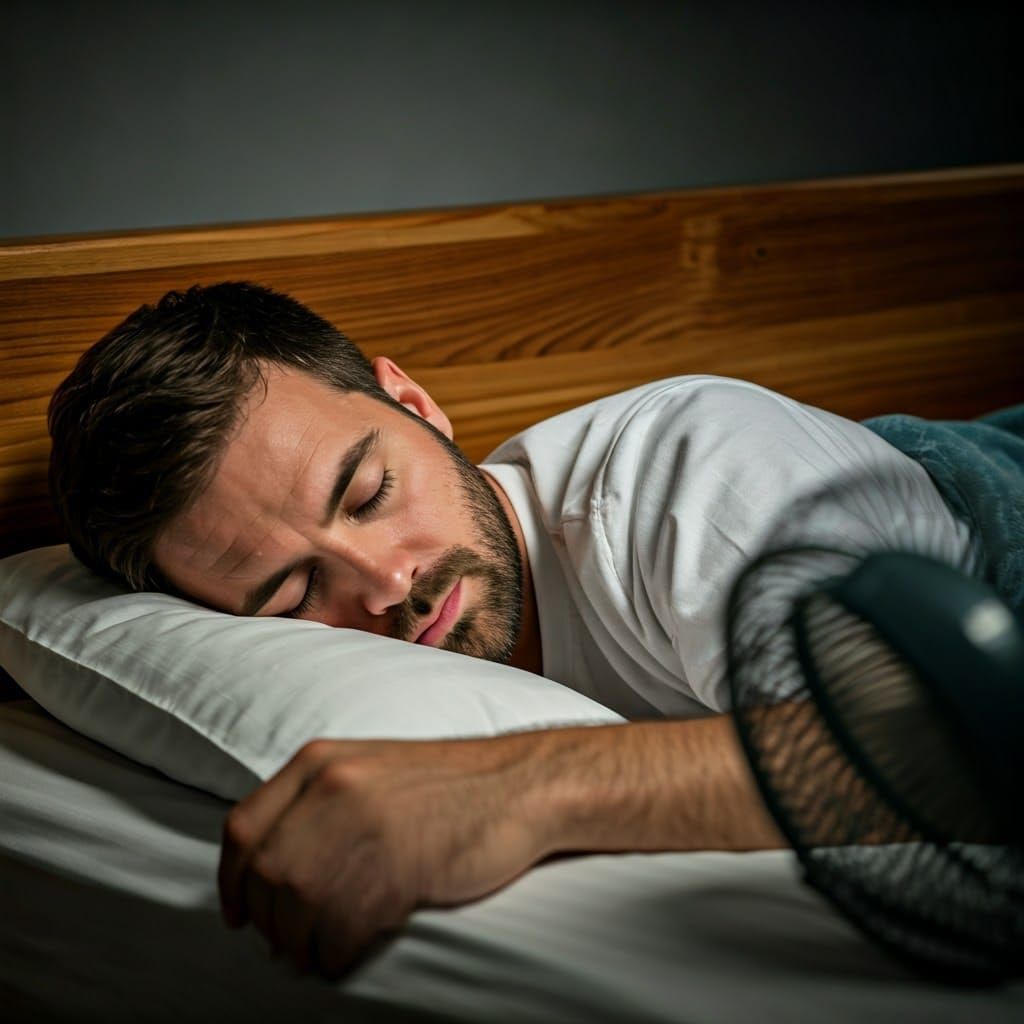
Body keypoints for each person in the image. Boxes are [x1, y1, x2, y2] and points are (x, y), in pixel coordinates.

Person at [47, 281, 974, 978]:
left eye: (370, 494)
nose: (388, 584)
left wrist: (525, 789)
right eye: (294, 596)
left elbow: (962, 745)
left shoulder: (688, 479)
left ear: (414, 406)